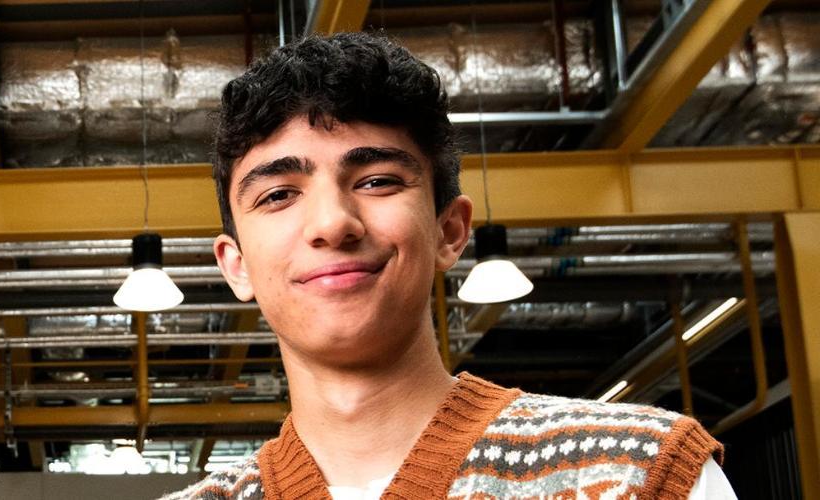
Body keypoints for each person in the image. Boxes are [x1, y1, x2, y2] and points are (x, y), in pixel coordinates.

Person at [161, 33, 733, 499]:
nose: (332, 223)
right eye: (279, 195)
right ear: (235, 266)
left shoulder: (650, 475)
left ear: (449, 230)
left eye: (377, 181)